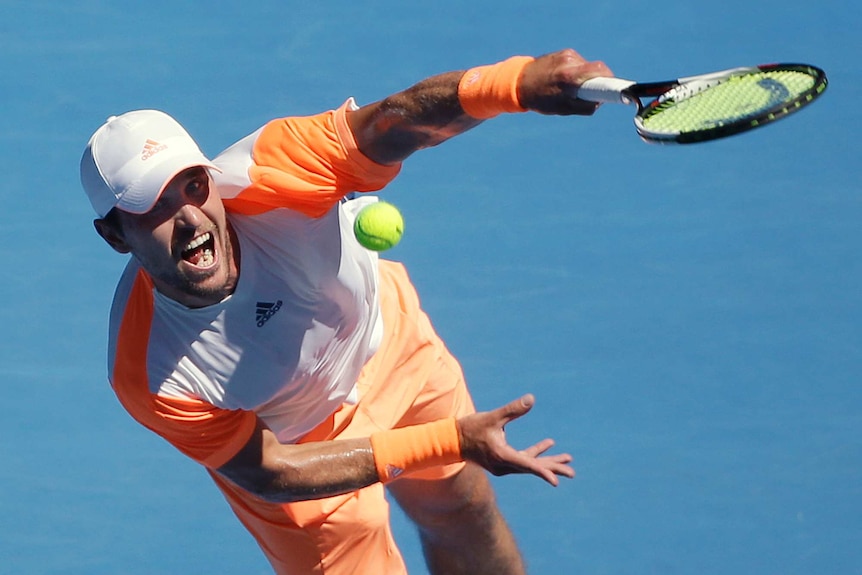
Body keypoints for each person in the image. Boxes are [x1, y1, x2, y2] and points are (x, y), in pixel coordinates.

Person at [80, 48, 613, 575]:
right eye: (155, 207)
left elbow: (393, 122)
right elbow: (271, 471)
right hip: (296, 456)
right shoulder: (148, 371)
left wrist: (515, 82)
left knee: (463, 510)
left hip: (390, 346)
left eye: (194, 186)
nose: (192, 218)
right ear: (113, 235)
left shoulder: (272, 168)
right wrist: (452, 440)